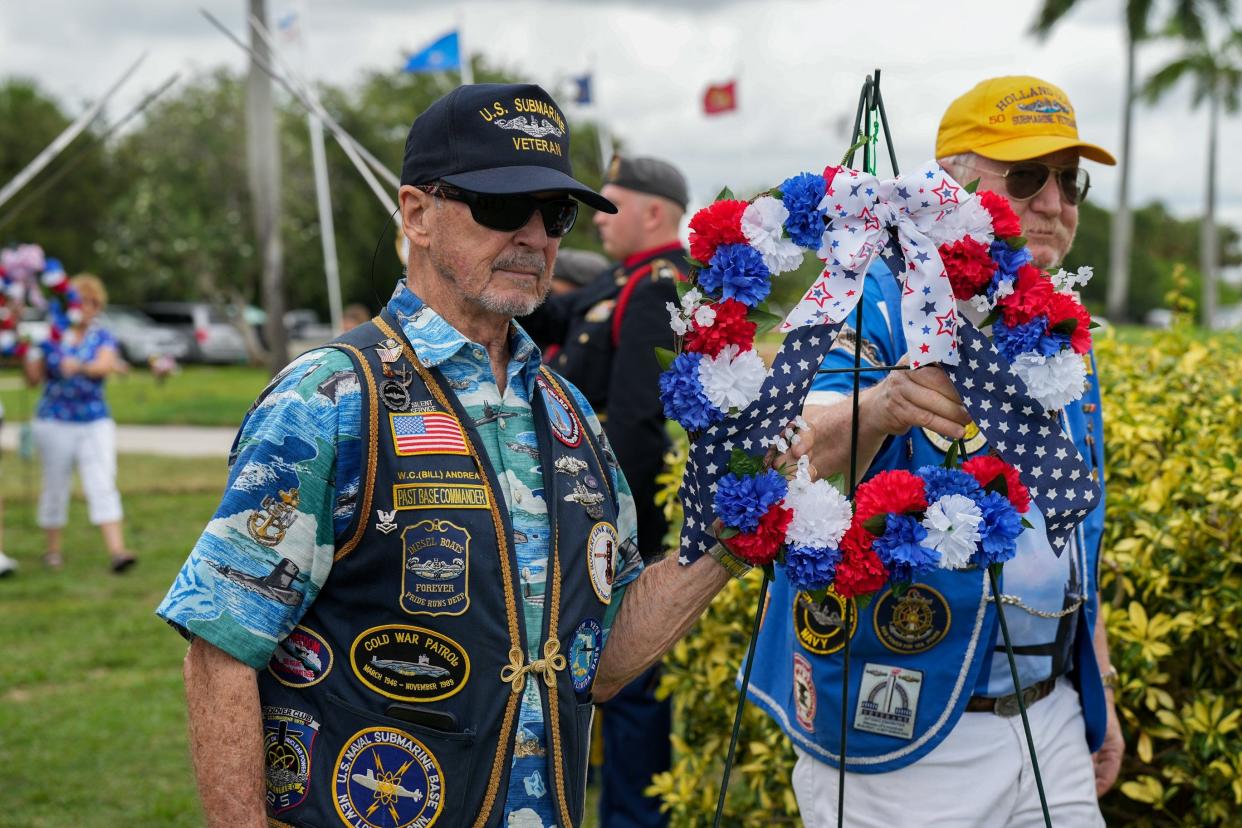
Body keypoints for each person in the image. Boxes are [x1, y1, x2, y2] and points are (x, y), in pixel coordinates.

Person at [156, 83, 734, 828]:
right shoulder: (331, 396)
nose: (533, 236)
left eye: (554, 213)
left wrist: (733, 531)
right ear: (417, 215)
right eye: (501, 206)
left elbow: (603, 660)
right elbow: (221, 650)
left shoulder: (569, 414)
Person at [746, 75, 1122, 827]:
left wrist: (1098, 687)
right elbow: (780, 462)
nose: (1054, 202)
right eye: (1025, 176)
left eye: (1069, 180)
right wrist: (881, 407)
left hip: (1050, 715)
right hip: (902, 724)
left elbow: (1075, 531)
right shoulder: (869, 291)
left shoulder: (1056, 327)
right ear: (949, 183)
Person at [522, 154, 688, 827]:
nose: (596, 218)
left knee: (627, 694)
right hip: (581, 523)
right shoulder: (620, 281)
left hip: (613, 535)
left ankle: (631, 818)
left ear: (652, 212)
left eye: (610, 202)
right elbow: (548, 318)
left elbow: (638, 426)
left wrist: (623, 543)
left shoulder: (658, 285)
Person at [24, 273, 135, 573]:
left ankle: (117, 551)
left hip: (93, 420)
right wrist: (30, 352)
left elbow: (102, 367)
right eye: (82, 301)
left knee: (102, 481)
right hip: (54, 420)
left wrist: (79, 366)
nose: (88, 308)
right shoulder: (51, 336)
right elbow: (32, 380)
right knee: (55, 484)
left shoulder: (102, 336)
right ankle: (53, 551)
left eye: (94, 302)